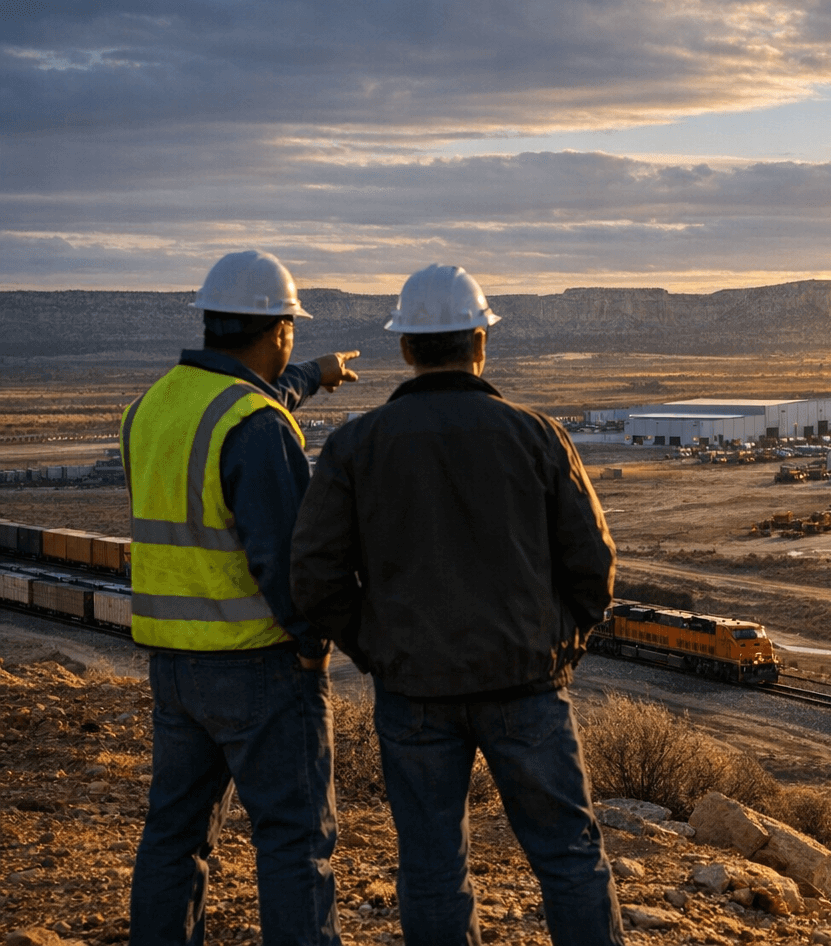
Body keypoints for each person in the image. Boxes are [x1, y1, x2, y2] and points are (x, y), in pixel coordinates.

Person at [290, 263, 624, 946]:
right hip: (527, 687)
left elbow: (316, 572)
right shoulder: (536, 435)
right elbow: (593, 565)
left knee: (434, 866)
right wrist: (560, 643)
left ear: (407, 348)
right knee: (567, 858)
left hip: (413, 692)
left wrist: (378, 648)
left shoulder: (357, 445)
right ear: (481, 340)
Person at [123, 250, 359, 946]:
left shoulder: (155, 405)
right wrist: (313, 644)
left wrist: (311, 377)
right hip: (259, 665)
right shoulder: (255, 424)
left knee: (174, 836)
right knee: (293, 842)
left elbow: (243, 410)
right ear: (279, 328)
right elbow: (290, 563)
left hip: (173, 666)